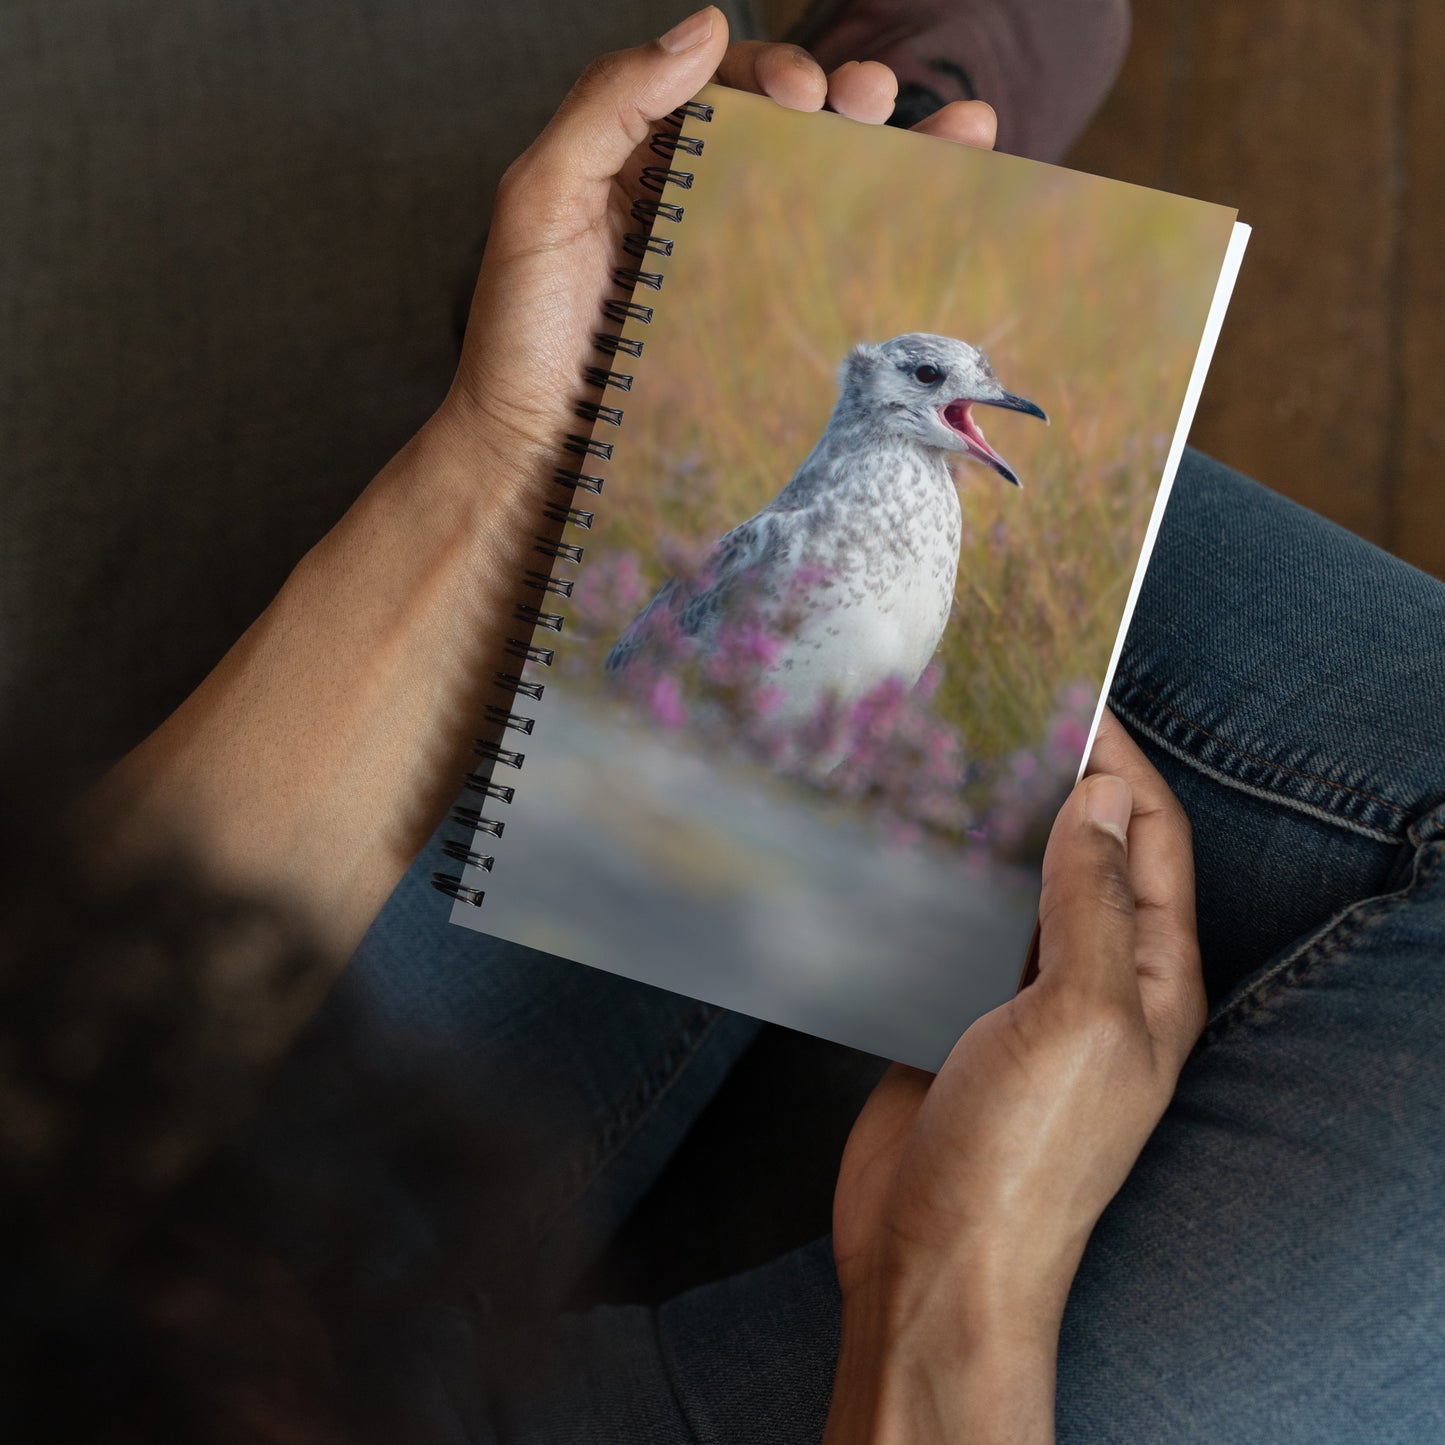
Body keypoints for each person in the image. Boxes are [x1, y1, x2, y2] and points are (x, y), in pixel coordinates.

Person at [4, 8, 1442, 1442]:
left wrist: (504, 460)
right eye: (950, 381)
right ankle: (859, 150)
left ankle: (685, 293)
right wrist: (947, 1300)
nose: (1001, 402)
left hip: (135, 1269)